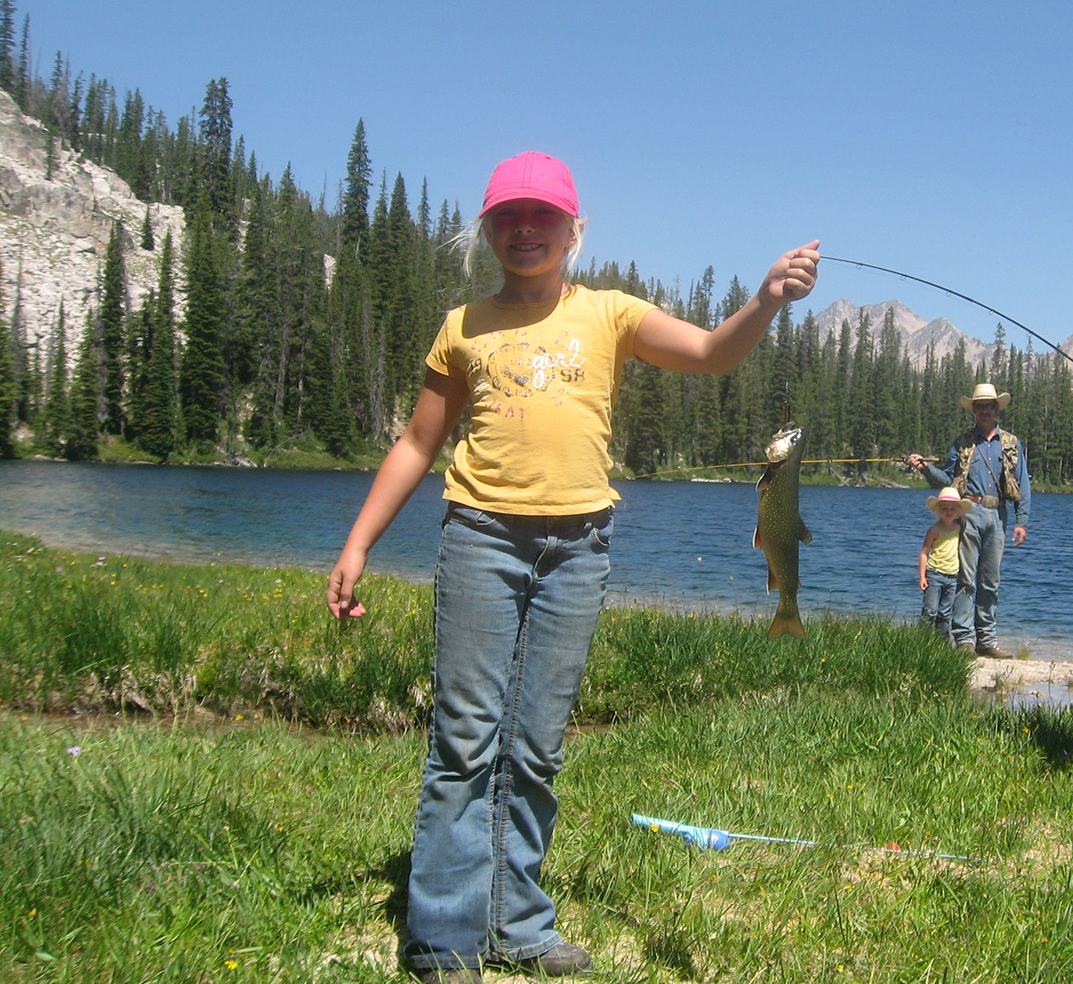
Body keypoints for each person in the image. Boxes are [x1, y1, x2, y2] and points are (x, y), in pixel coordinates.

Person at [325, 150, 819, 983]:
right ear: (486, 231)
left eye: (543, 216)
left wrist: (766, 300)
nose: (526, 230)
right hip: (482, 536)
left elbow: (707, 353)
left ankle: (518, 922)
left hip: (579, 551)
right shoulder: (463, 328)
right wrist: (357, 543)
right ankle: (444, 932)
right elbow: (418, 441)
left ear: (574, 230)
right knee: (465, 738)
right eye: (507, 218)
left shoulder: (611, 314)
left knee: (538, 743)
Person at [905, 383, 1031, 658]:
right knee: (966, 579)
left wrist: (1022, 521)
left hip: (999, 516)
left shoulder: (1011, 443)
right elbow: (947, 481)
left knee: (991, 581)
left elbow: (1023, 484)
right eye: (980, 406)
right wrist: (926, 469)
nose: (985, 410)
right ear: (973, 410)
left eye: (990, 406)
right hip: (969, 513)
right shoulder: (961, 443)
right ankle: (964, 639)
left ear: (998, 409)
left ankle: (987, 639)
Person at [918, 486, 971, 643]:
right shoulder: (934, 530)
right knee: (930, 611)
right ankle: (921, 640)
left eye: (952, 509)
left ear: (958, 512)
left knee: (945, 613)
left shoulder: (958, 528)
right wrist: (922, 576)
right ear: (939, 510)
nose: (948, 512)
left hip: (952, 576)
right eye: (945, 508)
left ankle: (942, 644)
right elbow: (924, 552)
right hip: (935, 574)